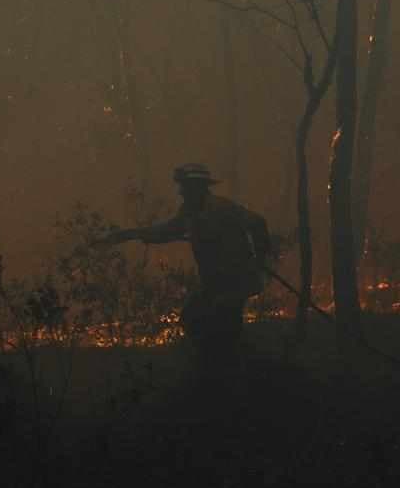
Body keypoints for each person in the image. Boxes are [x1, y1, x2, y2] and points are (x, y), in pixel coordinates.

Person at [97, 164, 271, 383]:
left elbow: (257, 223)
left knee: (219, 326)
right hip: (214, 283)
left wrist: (258, 259)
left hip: (233, 281)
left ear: (197, 187)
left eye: (184, 188)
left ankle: (233, 379)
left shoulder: (222, 208)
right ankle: (222, 374)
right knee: (197, 321)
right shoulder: (190, 213)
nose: (181, 192)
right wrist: (129, 234)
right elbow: (166, 231)